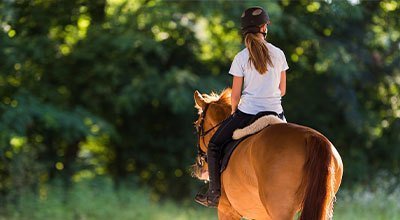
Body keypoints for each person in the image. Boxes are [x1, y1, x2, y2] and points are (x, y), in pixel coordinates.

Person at [194, 6, 289, 208]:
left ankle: (213, 195)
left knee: (213, 146)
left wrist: (234, 112)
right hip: (276, 113)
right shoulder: (279, 54)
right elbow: (282, 90)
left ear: (245, 30)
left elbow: (235, 94)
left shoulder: (241, 57)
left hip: (248, 113)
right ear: (264, 27)